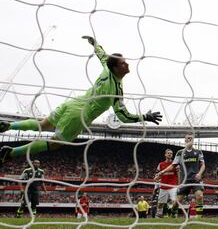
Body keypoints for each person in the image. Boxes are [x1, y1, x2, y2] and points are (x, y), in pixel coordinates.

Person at [0, 36, 162, 164]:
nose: (127, 64)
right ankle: (12, 153)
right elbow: (123, 117)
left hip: (73, 103)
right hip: (79, 116)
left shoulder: (107, 67)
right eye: (123, 63)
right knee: (55, 143)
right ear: (116, 68)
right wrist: (145, 117)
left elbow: (102, 55)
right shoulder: (115, 89)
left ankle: (9, 125)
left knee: (43, 124)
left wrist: (95, 43)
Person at [155, 133, 205, 218]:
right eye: (188, 138)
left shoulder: (198, 152)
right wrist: (162, 172)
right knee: (177, 202)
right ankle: (173, 213)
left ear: (193, 140)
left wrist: (199, 173)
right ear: (185, 140)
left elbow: (203, 165)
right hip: (184, 180)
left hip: (195, 179)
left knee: (200, 196)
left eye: (191, 138)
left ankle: (199, 217)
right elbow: (173, 165)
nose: (189, 139)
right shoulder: (180, 152)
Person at [154, 148, 178, 218]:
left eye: (171, 153)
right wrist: (156, 178)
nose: (170, 154)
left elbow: (179, 175)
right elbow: (157, 174)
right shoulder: (161, 164)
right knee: (160, 203)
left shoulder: (175, 164)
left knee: (174, 202)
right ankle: (159, 215)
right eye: (168, 153)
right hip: (163, 186)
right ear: (165, 154)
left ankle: (174, 215)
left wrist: (179, 184)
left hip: (173, 186)